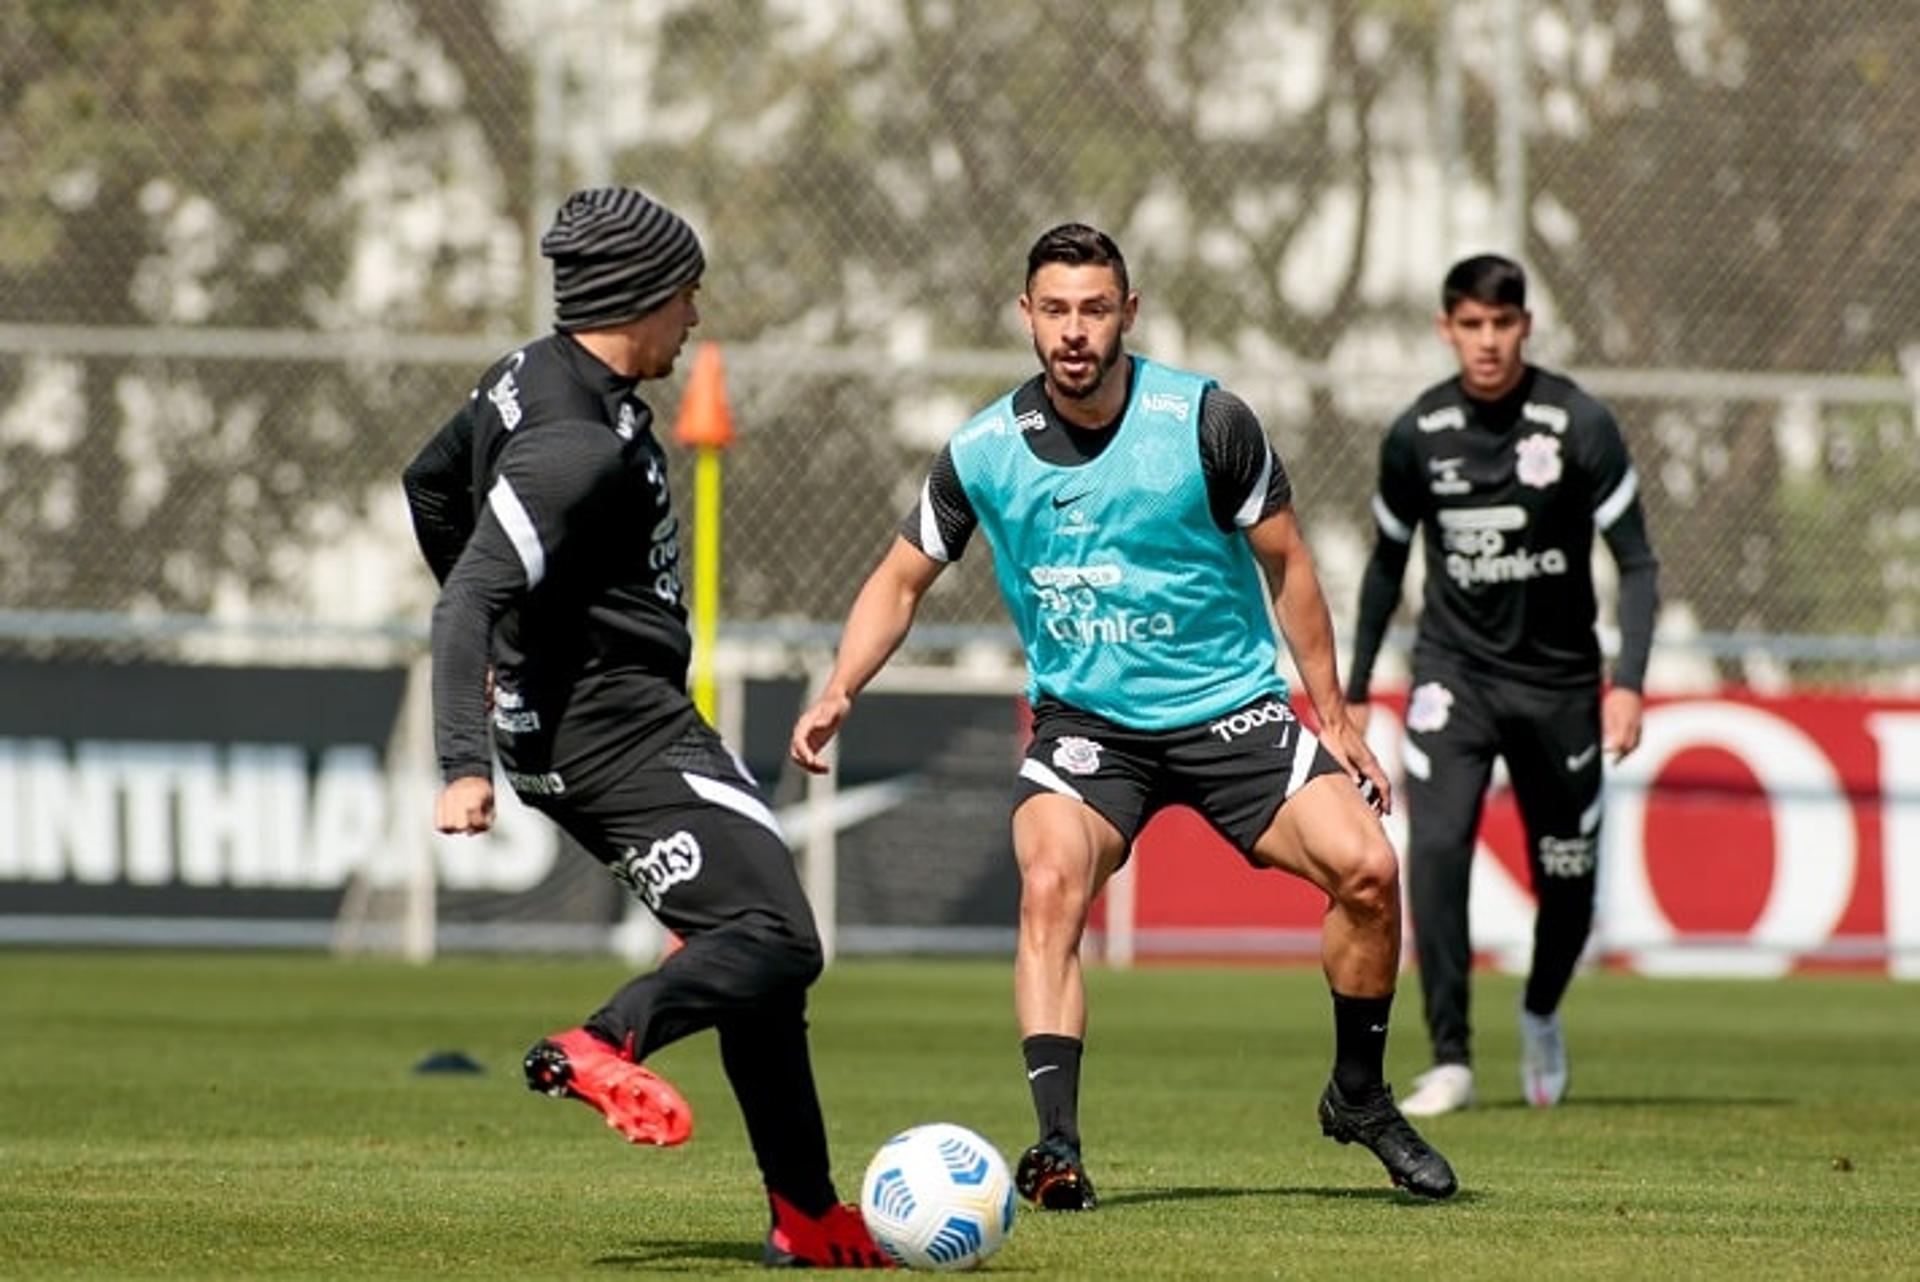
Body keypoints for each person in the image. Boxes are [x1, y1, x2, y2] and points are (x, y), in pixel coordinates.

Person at [790, 223, 1458, 1205]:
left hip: (1231, 711)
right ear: (1026, 316)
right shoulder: (980, 451)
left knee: (1368, 871)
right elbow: (900, 580)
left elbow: (1290, 563)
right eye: (1054, 309)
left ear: (1128, 313)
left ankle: (1358, 1095)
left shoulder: (1206, 421)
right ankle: (1056, 1147)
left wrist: (1336, 713)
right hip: (1088, 728)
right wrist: (842, 685)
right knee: (1051, 883)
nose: (1073, 330)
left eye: (1094, 309)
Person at [402, 186, 889, 1269]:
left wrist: (509, 653)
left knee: (752, 944)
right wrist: (460, 759)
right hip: (610, 729)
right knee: (779, 940)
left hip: (611, 719)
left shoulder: (529, 375)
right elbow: (466, 596)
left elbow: (428, 484)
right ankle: (604, 1040)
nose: (698, 317)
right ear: (636, 297)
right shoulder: (571, 442)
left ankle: (806, 1215)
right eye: (686, 294)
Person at [1345, 254, 1660, 1117]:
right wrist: (1357, 686)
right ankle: (1451, 1057)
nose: (1487, 342)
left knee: (1567, 881)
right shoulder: (1419, 432)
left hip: (1561, 686)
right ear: (1448, 330)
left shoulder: (1578, 423)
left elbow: (1635, 563)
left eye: (1503, 324)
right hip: (1455, 677)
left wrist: (1627, 683)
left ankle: (1542, 1010)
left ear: (1526, 326)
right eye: (1471, 325)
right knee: (1436, 851)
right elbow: (1384, 564)